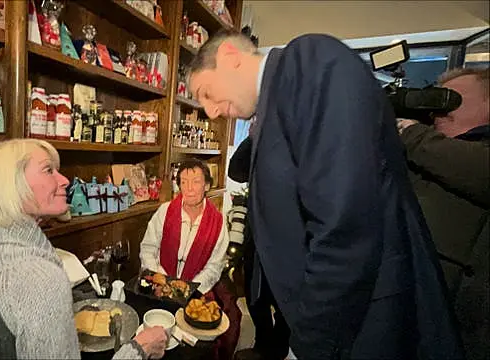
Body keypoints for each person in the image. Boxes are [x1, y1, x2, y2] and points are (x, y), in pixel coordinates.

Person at [188, 30, 464, 359]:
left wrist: (309, 345)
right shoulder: (275, 103)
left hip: (360, 322)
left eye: (206, 94)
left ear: (229, 57)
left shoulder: (310, 61)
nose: (212, 113)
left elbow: (344, 224)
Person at [0, 138, 168, 359]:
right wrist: (139, 349)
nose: (65, 180)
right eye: (48, 170)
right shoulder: (39, 278)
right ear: (11, 185)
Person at [397, 67, 489, 360]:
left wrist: (410, 133)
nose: (439, 110)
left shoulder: (427, 147)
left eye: (451, 99)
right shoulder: (420, 154)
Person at [139, 158, 240, 359]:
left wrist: (189, 290)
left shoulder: (218, 222)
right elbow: (147, 249)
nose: (189, 188)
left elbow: (214, 266)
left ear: (207, 185)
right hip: (161, 285)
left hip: (196, 290)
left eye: (195, 181)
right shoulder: (165, 211)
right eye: (183, 182)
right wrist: (163, 279)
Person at [228, 136, 291, 360]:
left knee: (287, 302)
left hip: (291, 240)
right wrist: (258, 133)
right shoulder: (264, 140)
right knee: (254, 296)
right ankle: (263, 344)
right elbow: (235, 171)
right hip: (258, 233)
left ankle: (278, 347)